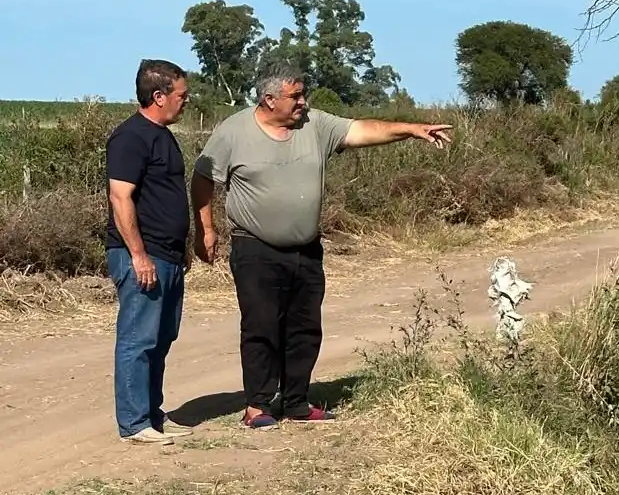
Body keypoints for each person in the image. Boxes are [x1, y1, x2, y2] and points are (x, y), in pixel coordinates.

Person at [190, 61, 452, 430]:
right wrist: (206, 228)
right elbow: (203, 177)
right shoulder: (233, 131)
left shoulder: (316, 125)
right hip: (255, 248)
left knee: (305, 327)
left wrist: (411, 129)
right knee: (261, 326)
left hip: (306, 250)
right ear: (268, 99)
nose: (303, 102)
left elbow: (363, 129)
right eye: (295, 96)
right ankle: (258, 406)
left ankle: (296, 401)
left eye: (302, 94)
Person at [105, 59, 193, 446]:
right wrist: (139, 255)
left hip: (168, 255)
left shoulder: (164, 136)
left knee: (161, 338)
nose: (185, 101)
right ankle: (134, 422)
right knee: (138, 339)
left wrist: (182, 247)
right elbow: (120, 197)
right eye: (181, 95)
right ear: (158, 96)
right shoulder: (130, 137)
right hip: (143, 256)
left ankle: (153, 414)